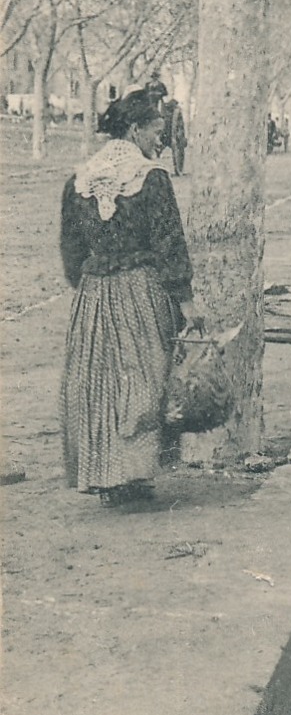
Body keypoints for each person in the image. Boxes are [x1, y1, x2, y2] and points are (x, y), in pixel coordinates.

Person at [59, 87, 204, 507]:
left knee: (97, 383)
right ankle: (131, 474)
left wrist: (89, 289)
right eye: (157, 130)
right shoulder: (151, 178)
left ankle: (103, 475)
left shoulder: (80, 179)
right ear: (136, 129)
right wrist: (185, 300)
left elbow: (71, 249)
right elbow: (169, 244)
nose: (161, 139)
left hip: (93, 293)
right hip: (140, 290)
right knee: (142, 378)